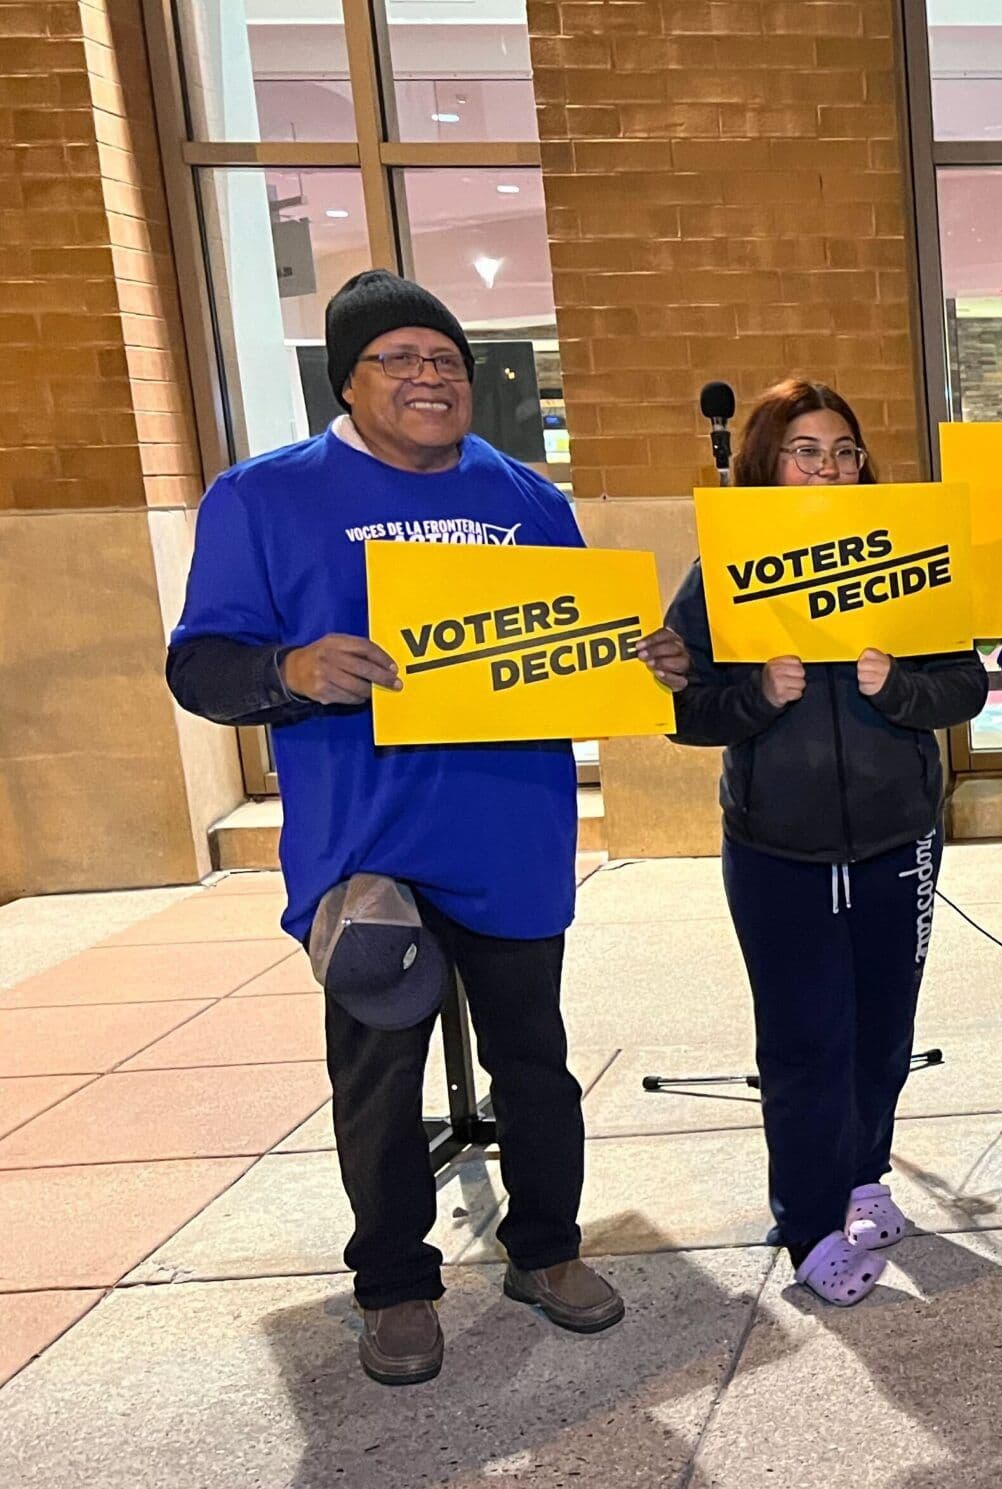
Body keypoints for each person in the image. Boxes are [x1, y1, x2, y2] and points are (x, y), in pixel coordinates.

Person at [164, 270, 690, 1385]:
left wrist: (642, 663)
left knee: (535, 1065)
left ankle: (546, 1249)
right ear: (346, 382)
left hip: (509, 836)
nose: (429, 378)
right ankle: (395, 1284)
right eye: (399, 360)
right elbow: (200, 666)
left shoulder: (529, 500)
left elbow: (579, 654)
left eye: (445, 359)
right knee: (377, 1074)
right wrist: (288, 668)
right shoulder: (262, 498)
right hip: (367, 849)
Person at [663, 379, 989, 1307]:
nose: (830, 465)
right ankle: (807, 1221)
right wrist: (760, 698)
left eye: (844, 449)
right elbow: (685, 713)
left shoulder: (908, 558)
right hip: (778, 848)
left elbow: (964, 685)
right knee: (806, 1040)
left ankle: (862, 1173)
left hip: (899, 837)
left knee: (884, 1030)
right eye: (807, 450)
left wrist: (897, 691)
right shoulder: (725, 569)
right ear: (767, 462)